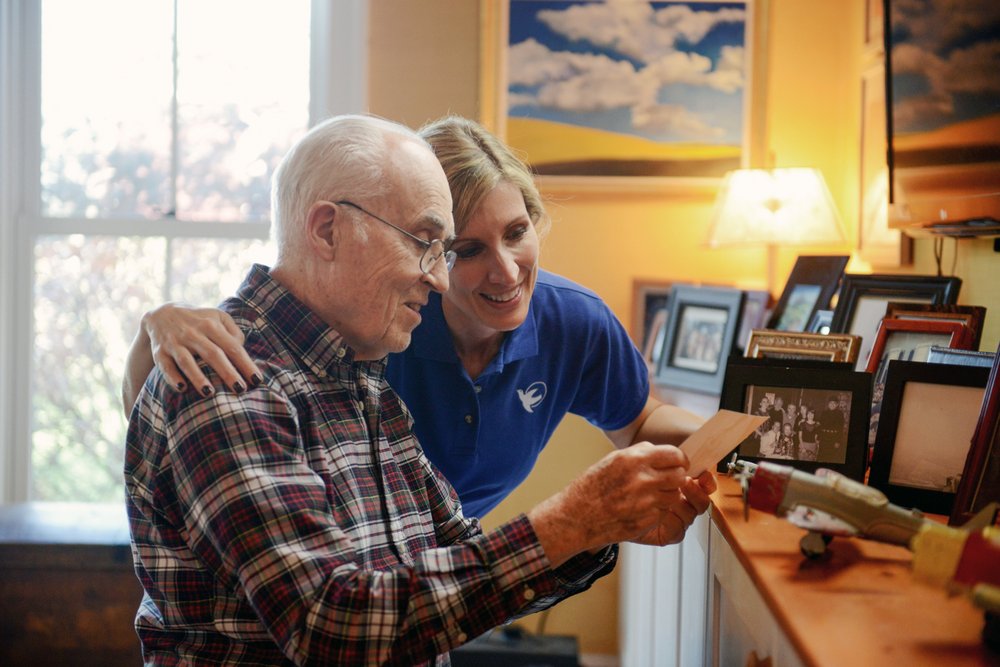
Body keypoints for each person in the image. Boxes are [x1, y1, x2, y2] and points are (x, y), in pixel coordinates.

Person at [124, 114, 713, 666]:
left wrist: (599, 526)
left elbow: (459, 557)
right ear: (327, 229)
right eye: (429, 242)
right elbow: (331, 628)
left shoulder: (365, 380)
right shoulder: (230, 385)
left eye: (444, 249)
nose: (438, 277)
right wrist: (569, 524)